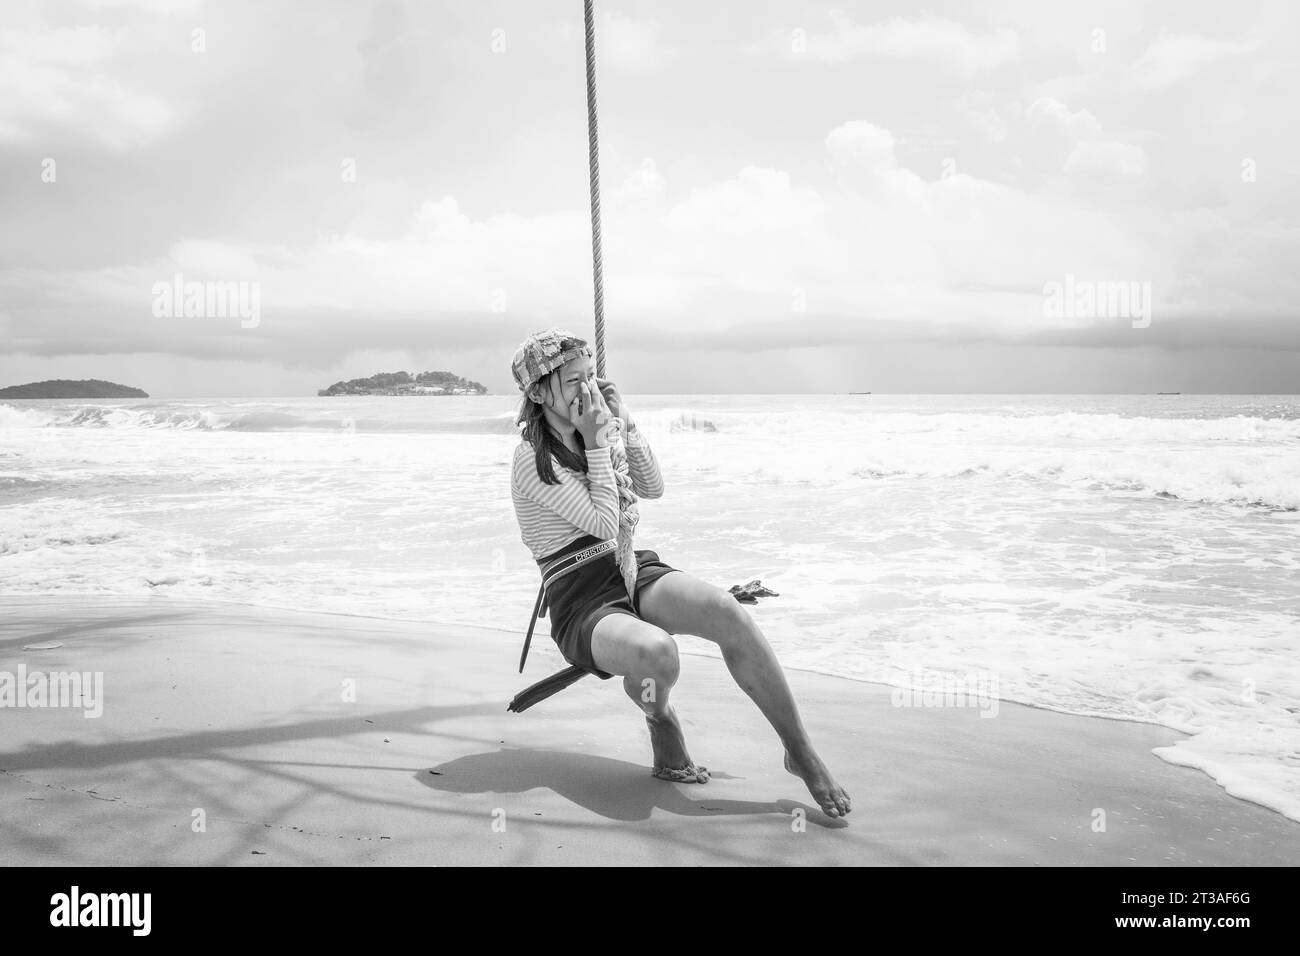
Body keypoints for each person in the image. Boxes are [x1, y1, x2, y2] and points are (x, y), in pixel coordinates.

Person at [509, 328, 852, 818]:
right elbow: (603, 523)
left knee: (725, 610)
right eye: (572, 381)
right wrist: (595, 442)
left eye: (590, 377)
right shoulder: (531, 460)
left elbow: (653, 486)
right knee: (658, 654)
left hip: (628, 566)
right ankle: (661, 716)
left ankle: (801, 751)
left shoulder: (598, 428)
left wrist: (622, 423)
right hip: (581, 598)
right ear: (539, 391)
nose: (586, 389)